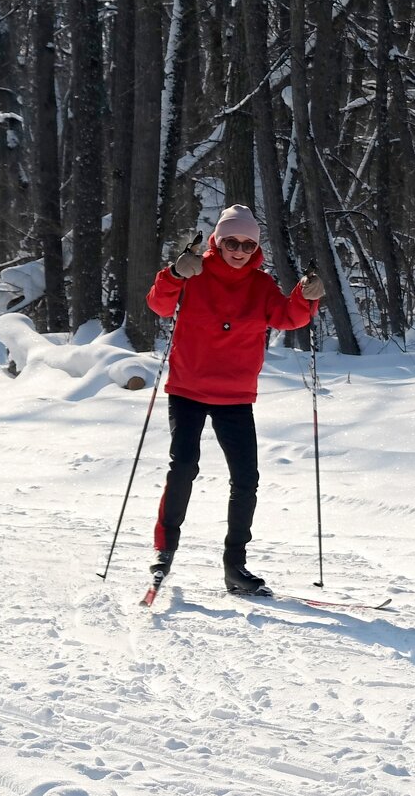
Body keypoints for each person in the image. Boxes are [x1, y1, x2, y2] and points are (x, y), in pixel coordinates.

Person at [145, 204, 325, 593]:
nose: (239, 250)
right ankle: (164, 551)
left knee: (245, 480)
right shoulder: (195, 271)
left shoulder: (260, 285)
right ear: (218, 241)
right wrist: (174, 274)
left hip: (235, 395)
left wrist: (306, 296)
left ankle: (235, 567)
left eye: (247, 243)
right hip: (189, 389)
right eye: (231, 242)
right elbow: (159, 305)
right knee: (184, 466)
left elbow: (287, 318)